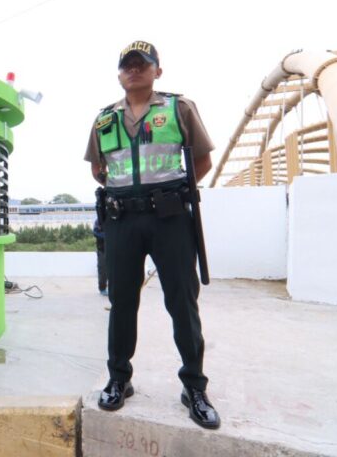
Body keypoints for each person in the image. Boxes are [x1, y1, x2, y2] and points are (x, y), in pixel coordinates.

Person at [84, 40, 220, 429]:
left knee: (182, 302)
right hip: (122, 220)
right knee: (122, 302)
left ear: (157, 70)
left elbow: (202, 159)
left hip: (170, 220)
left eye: (142, 64)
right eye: (127, 65)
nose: (134, 70)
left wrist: (170, 194)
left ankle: (194, 386)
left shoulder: (179, 108)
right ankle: (118, 379)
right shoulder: (104, 119)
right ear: (119, 73)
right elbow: (98, 168)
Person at [92, 217, 108, 295]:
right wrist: (108, 236)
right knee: (102, 270)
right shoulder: (99, 220)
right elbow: (95, 232)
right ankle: (102, 288)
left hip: (115, 250)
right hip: (102, 249)